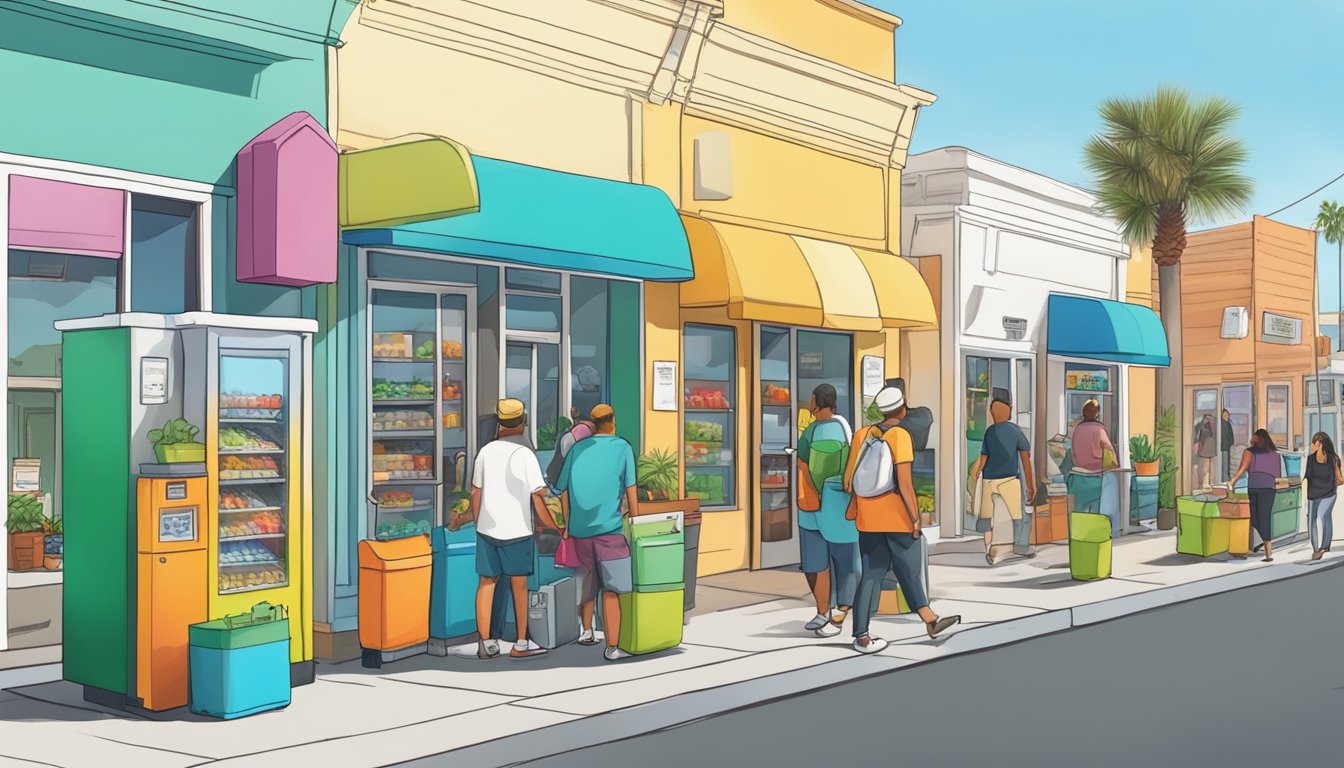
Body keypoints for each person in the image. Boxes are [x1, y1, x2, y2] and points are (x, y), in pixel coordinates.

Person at [842, 386, 959, 654]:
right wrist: (915, 518)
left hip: (867, 518)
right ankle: (929, 619)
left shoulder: (862, 435)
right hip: (896, 517)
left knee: (871, 573)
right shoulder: (900, 436)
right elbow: (905, 483)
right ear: (903, 408)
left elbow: (848, 481)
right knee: (911, 568)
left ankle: (862, 635)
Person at [469, 399, 557, 660]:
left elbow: (476, 492)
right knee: (519, 586)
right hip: (518, 530)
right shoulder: (524, 455)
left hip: (488, 529)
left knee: (486, 583)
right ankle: (521, 643)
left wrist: (478, 520)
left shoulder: (485, 452)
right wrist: (555, 526)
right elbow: (538, 498)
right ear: (523, 422)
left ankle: (485, 642)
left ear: (499, 423)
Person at [555, 404, 638, 662]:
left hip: (580, 529)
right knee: (611, 589)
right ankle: (612, 647)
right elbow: (631, 489)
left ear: (592, 424)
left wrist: (568, 522)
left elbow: (564, 488)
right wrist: (636, 517)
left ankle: (587, 630)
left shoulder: (577, 449)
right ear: (612, 421)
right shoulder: (622, 447)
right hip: (610, 530)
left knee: (588, 581)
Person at [795, 383, 856, 637]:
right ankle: (836, 612)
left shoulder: (815, 431)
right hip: (837, 504)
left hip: (814, 504)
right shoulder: (844, 428)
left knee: (816, 563)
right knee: (845, 562)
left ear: (817, 402)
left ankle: (824, 612)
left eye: (811, 399)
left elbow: (808, 464)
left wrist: (810, 481)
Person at [968, 391, 1037, 565]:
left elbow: (983, 458)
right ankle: (1021, 547)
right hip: (1009, 480)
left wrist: (975, 475)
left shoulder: (989, 432)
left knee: (986, 518)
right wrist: (1030, 485)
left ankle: (989, 549)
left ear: (992, 413)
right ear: (1010, 410)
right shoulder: (1015, 431)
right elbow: (1025, 460)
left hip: (989, 481)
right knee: (1019, 516)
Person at [1227, 429, 1281, 562]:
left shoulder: (1250, 452)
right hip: (1261, 488)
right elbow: (1277, 472)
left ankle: (1268, 549)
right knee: (1259, 518)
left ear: (1258, 438)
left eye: (1254, 436)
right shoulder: (1272, 454)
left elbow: (1242, 469)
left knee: (1260, 518)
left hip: (1263, 488)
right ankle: (1265, 541)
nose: (1252, 438)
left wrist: (1232, 481)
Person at [1304, 432, 1341, 561]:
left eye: (1312, 443)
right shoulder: (1310, 459)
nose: (1310, 445)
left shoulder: (1333, 459)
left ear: (1318, 444)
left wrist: (1332, 483)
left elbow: (1340, 479)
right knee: (1311, 521)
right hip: (1313, 495)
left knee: (1323, 515)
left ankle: (1324, 546)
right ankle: (1315, 549)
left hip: (1328, 494)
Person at [1070, 399, 1115, 472]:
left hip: (1080, 470)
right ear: (1097, 413)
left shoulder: (1078, 429)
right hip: (1098, 471)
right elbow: (1110, 451)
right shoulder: (1099, 430)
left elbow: (1073, 451)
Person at [1193, 414, 1217, 489]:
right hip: (1204, 450)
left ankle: (1208, 484)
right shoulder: (1200, 427)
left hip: (1210, 450)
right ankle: (1201, 485)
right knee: (1203, 468)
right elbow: (1196, 439)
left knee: (1209, 467)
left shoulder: (1213, 427)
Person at [1220, 409, 1235, 482]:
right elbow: (1229, 436)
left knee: (1225, 463)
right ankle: (1225, 479)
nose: (1226, 416)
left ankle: (1225, 478)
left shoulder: (1226, 423)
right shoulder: (1224, 423)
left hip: (1225, 446)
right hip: (1224, 447)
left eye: (1227, 415)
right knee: (1225, 464)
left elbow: (1230, 436)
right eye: (1225, 414)